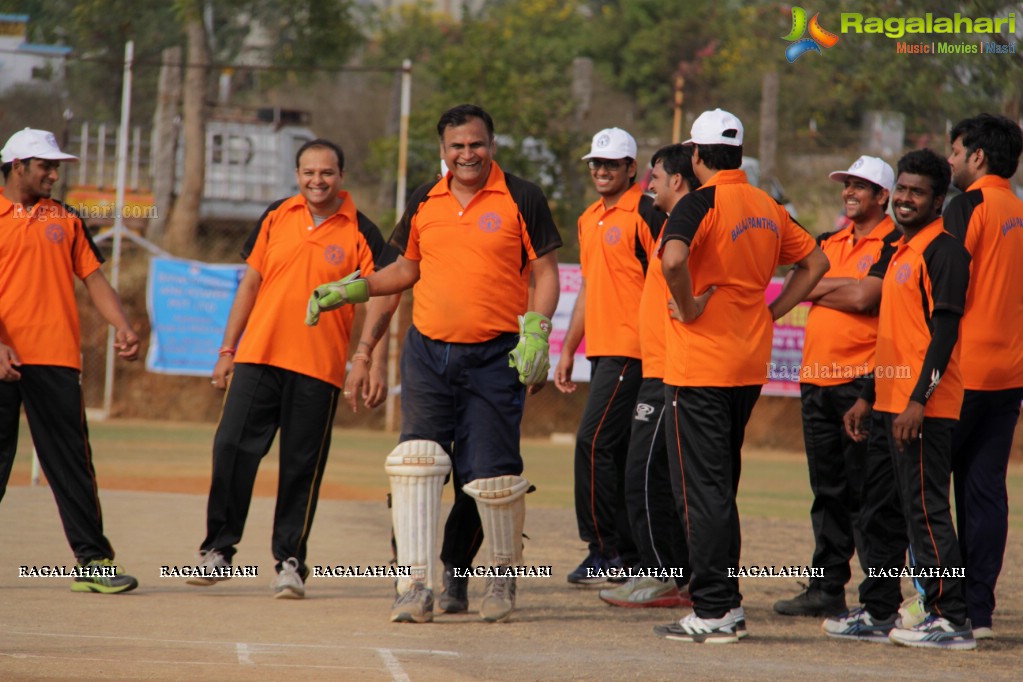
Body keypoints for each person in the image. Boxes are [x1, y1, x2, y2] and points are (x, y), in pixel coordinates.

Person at [317, 104, 561, 624]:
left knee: (490, 478)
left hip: (496, 357)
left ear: (491, 144)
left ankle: (495, 574)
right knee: (416, 466)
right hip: (428, 353)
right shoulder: (425, 198)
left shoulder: (523, 197)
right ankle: (412, 587)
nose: (466, 154)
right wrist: (351, 289)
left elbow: (545, 273)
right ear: (443, 150)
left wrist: (537, 332)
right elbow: (403, 269)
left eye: (475, 144)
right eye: (457, 146)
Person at [187, 138, 395, 599]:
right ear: (297, 174)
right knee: (230, 447)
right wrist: (227, 350)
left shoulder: (363, 229)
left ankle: (290, 561)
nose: (317, 181)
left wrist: (369, 361)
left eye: (326, 172)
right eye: (308, 172)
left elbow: (384, 294)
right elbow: (251, 283)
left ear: (341, 176)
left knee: (301, 468)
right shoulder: (277, 215)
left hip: (318, 369)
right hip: (258, 357)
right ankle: (219, 550)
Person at [653, 109, 829, 643]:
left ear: (699, 156)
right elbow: (816, 262)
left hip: (700, 365)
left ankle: (715, 609)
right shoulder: (766, 205)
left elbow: (673, 260)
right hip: (748, 364)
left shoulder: (698, 202)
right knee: (718, 486)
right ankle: (721, 602)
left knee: (701, 491)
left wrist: (686, 306)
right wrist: (772, 311)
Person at [844, 148, 975, 650]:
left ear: (938, 199)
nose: (903, 199)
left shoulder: (944, 250)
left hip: (923, 409)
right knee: (878, 511)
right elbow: (895, 337)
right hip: (886, 405)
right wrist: (866, 396)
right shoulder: (900, 248)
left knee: (926, 512)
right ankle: (879, 610)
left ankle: (950, 617)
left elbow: (943, 336)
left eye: (916, 192)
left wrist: (919, 400)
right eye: (900, 189)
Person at [0, 127, 139, 593]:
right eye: (45, 165)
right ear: (17, 166)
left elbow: (95, 281)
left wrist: (122, 324)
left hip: (56, 359)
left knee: (72, 464)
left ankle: (94, 563)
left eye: (56, 166)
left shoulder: (68, 219)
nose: (54, 174)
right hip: (2, 359)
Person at [774, 156, 908, 627]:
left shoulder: (895, 240)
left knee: (867, 496)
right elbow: (802, 282)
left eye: (861, 185)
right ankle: (827, 590)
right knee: (827, 491)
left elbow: (865, 297)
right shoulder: (829, 241)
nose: (849, 191)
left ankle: (879, 601)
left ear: (883, 196)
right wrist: (832, 285)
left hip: (861, 385)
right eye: (847, 183)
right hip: (816, 380)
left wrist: (816, 286)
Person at [555, 127, 660, 584]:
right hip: (601, 351)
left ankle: (605, 551)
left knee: (593, 444)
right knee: (612, 451)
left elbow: (671, 276)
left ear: (631, 169)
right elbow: (587, 290)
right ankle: (625, 552)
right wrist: (567, 349)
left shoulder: (648, 212)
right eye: (596, 164)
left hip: (634, 351)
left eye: (611, 164)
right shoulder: (588, 217)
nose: (601, 170)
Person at [598, 144, 695, 608]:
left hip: (669, 369)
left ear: (677, 180)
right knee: (648, 473)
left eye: (653, 176)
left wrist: (695, 306)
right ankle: (671, 574)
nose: (647, 185)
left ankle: (664, 576)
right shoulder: (669, 225)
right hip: (655, 366)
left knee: (643, 474)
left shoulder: (680, 223)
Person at [944, 113, 1023, 640]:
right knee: (985, 491)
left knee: (924, 491)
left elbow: (943, 288)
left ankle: (939, 605)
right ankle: (979, 611)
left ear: (977, 156)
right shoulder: (1019, 209)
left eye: (954, 151)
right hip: (1009, 373)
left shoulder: (966, 206)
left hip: (960, 371)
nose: (949, 160)